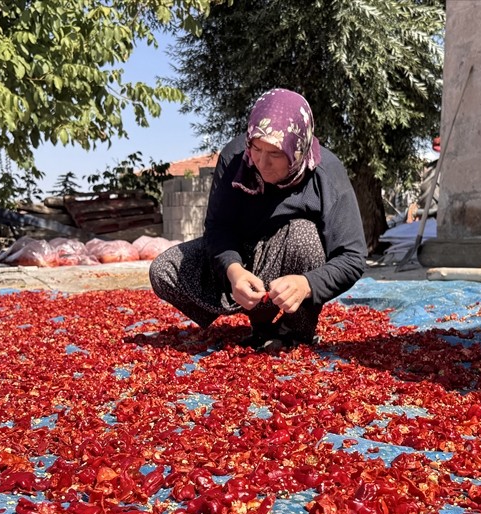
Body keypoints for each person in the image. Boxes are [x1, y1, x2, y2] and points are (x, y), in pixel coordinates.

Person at [149, 88, 367, 348]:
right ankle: (262, 326)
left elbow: (352, 258)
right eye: (255, 148)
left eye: (275, 153)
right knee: (164, 270)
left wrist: (306, 284)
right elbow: (218, 228)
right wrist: (233, 270)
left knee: (303, 234)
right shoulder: (235, 158)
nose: (262, 163)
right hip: (244, 259)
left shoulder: (325, 174)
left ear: (296, 150)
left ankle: (294, 331)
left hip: (292, 265)